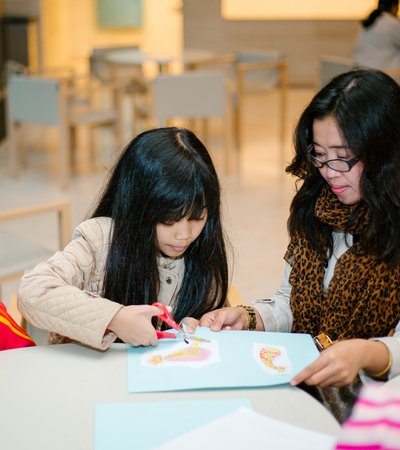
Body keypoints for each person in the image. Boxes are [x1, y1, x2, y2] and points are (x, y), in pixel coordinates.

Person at [199, 69, 400, 390]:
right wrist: (249, 317)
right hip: (314, 379)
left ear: (385, 153)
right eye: (319, 155)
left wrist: (364, 352)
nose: (329, 172)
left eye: (343, 157)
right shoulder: (318, 205)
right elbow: (293, 303)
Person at [17, 127, 229, 351]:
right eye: (168, 220)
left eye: (198, 217)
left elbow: (205, 313)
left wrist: (197, 325)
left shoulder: (201, 249)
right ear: (137, 206)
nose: (184, 234)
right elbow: (32, 291)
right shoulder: (99, 240)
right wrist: (114, 318)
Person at [353, 0, 400, 70]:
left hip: (362, 69)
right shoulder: (392, 23)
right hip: (383, 72)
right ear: (394, 7)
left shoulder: (372, 20)